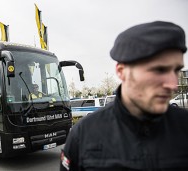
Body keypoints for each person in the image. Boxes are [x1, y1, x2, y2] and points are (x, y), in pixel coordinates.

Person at [60, 21, 188, 170]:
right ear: (121, 71)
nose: (173, 84)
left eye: (176, 70)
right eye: (159, 70)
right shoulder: (83, 135)